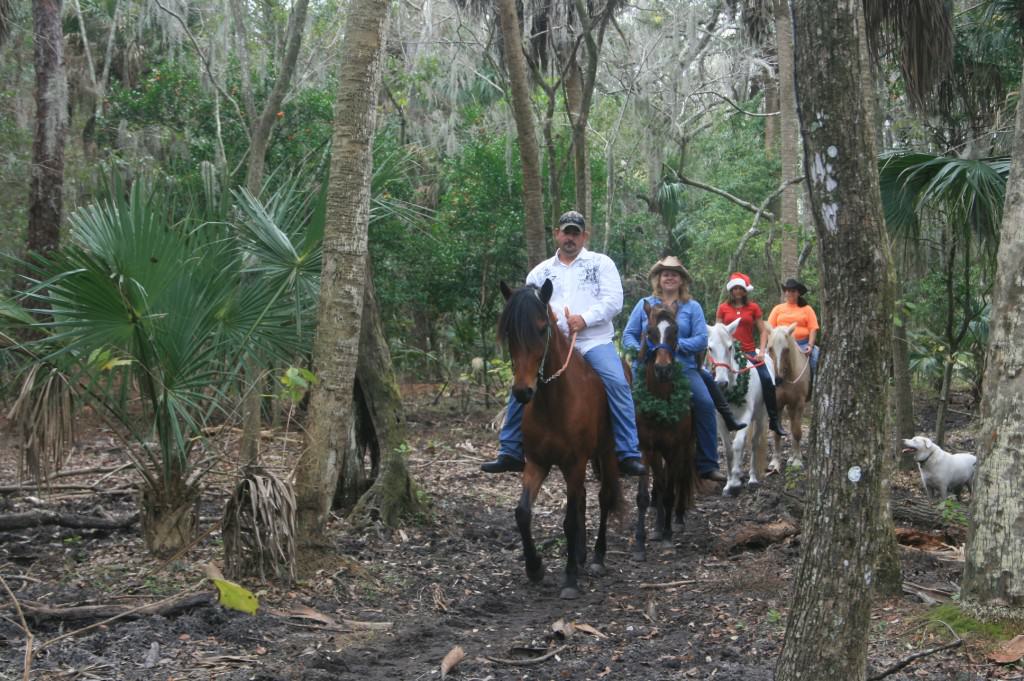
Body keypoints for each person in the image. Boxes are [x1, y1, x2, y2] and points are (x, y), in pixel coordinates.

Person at [481, 210, 647, 477]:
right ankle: (510, 449)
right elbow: (529, 310)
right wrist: (557, 321)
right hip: (552, 343)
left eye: (575, 233)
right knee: (523, 381)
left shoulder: (601, 264)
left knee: (617, 380)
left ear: (584, 236)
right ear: (556, 234)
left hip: (594, 340)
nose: (570, 237)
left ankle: (627, 451)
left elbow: (614, 301)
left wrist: (585, 318)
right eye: (565, 232)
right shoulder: (539, 272)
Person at [622, 256, 740, 483]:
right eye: (665, 273)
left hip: (683, 367)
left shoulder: (692, 307)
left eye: (674, 274)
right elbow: (628, 335)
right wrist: (644, 349)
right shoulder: (644, 304)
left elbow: (700, 339)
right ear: (658, 278)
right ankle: (626, 453)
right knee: (623, 398)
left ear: (681, 280)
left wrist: (672, 347)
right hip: (648, 367)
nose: (669, 277)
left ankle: (707, 463)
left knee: (705, 403)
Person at [715, 272, 788, 437]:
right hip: (728, 353)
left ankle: (774, 419)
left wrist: (762, 351)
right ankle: (714, 418)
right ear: (731, 291)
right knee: (712, 379)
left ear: (745, 290)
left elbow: (763, 331)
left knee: (768, 380)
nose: (738, 291)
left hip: (748, 351)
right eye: (735, 288)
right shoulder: (723, 308)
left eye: (741, 288)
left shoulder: (753, 307)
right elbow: (718, 331)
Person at [767, 278, 820, 376]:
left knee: (816, 358)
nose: (789, 293)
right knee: (766, 360)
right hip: (781, 345)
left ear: (798, 293)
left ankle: (814, 384)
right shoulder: (778, 309)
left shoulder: (807, 309)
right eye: (787, 291)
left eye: (793, 291)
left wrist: (810, 345)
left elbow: (813, 328)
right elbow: (769, 329)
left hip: (802, 344)